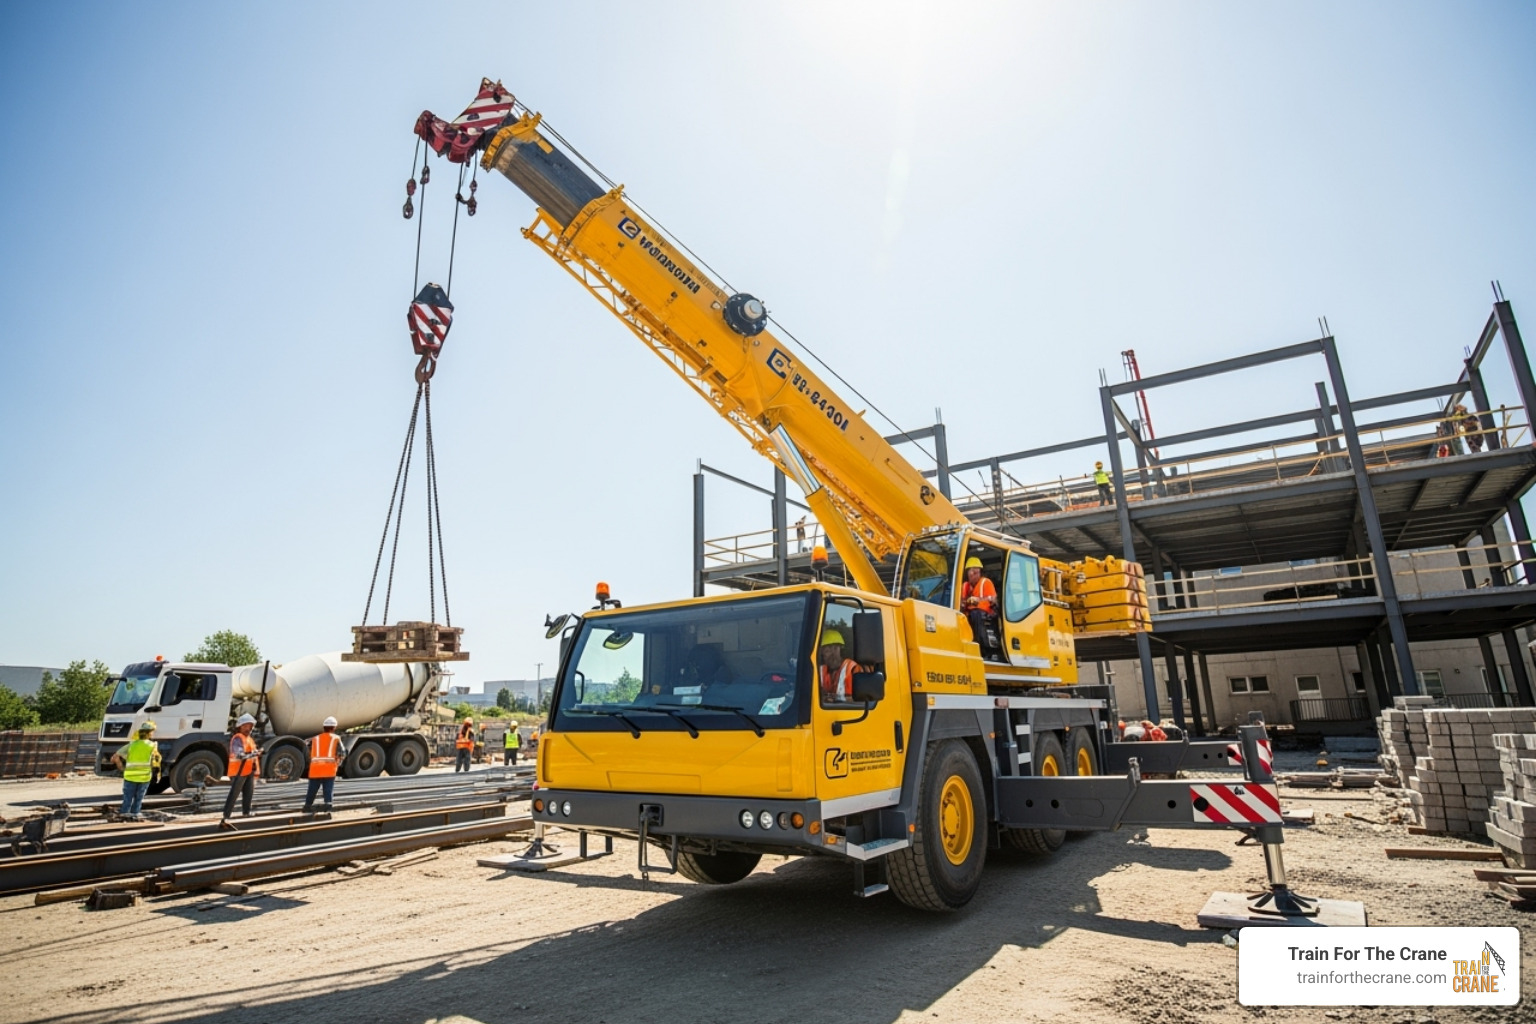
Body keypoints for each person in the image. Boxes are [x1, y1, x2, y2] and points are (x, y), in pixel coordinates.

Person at [111, 720, 161, 821]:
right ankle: (135, 816)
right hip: (144, 777)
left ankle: (124, 816)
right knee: (139, 799)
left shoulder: (132, 744)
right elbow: (155, 761)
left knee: (127, 799)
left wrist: (121, 768)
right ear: (150, 733)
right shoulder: (152, 745)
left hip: (130, 776)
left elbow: (115, 757)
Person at [302, 716, 346, 814]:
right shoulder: (336, 738)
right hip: (329, 769)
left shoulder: (315, 739)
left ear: (323, 727)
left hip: (315, 769)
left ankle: (307, 806)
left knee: (312, 789)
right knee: (328, 789)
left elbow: (308, 751)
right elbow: (342, 753)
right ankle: (328, 807)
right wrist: (338, 762)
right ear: (334, 728)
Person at [222, 713, 260, 821]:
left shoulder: (249, 739)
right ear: (240, 726)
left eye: (250, 726)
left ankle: (246, 813)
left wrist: (256, 753)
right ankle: (226, 815)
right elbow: (239, 754)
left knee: (249, 793)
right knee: (235, 793)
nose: (248, 728)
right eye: (246, 725)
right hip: (239, 771)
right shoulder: (238, 738)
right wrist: (254, 754)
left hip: (248, 770)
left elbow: (250, 753)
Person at [961, 556, 999, 655]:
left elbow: (994, 600)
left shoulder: (986, 583)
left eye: (974, 572)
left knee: (976, 614)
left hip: (985, 614)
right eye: (970, 572)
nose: (971, 574)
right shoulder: (965, 586)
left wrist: (977, 601)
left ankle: (982, 648)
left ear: (979, 572)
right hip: (969, 614)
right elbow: (962, 601)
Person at [818, 629, 863, 703]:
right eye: (822, 652)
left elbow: (860, 700)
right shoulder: (821, 670)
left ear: (835, 649)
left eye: (825, 651)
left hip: (849, 712)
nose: (823, 655)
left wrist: (835, 699)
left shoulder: (853, 668)